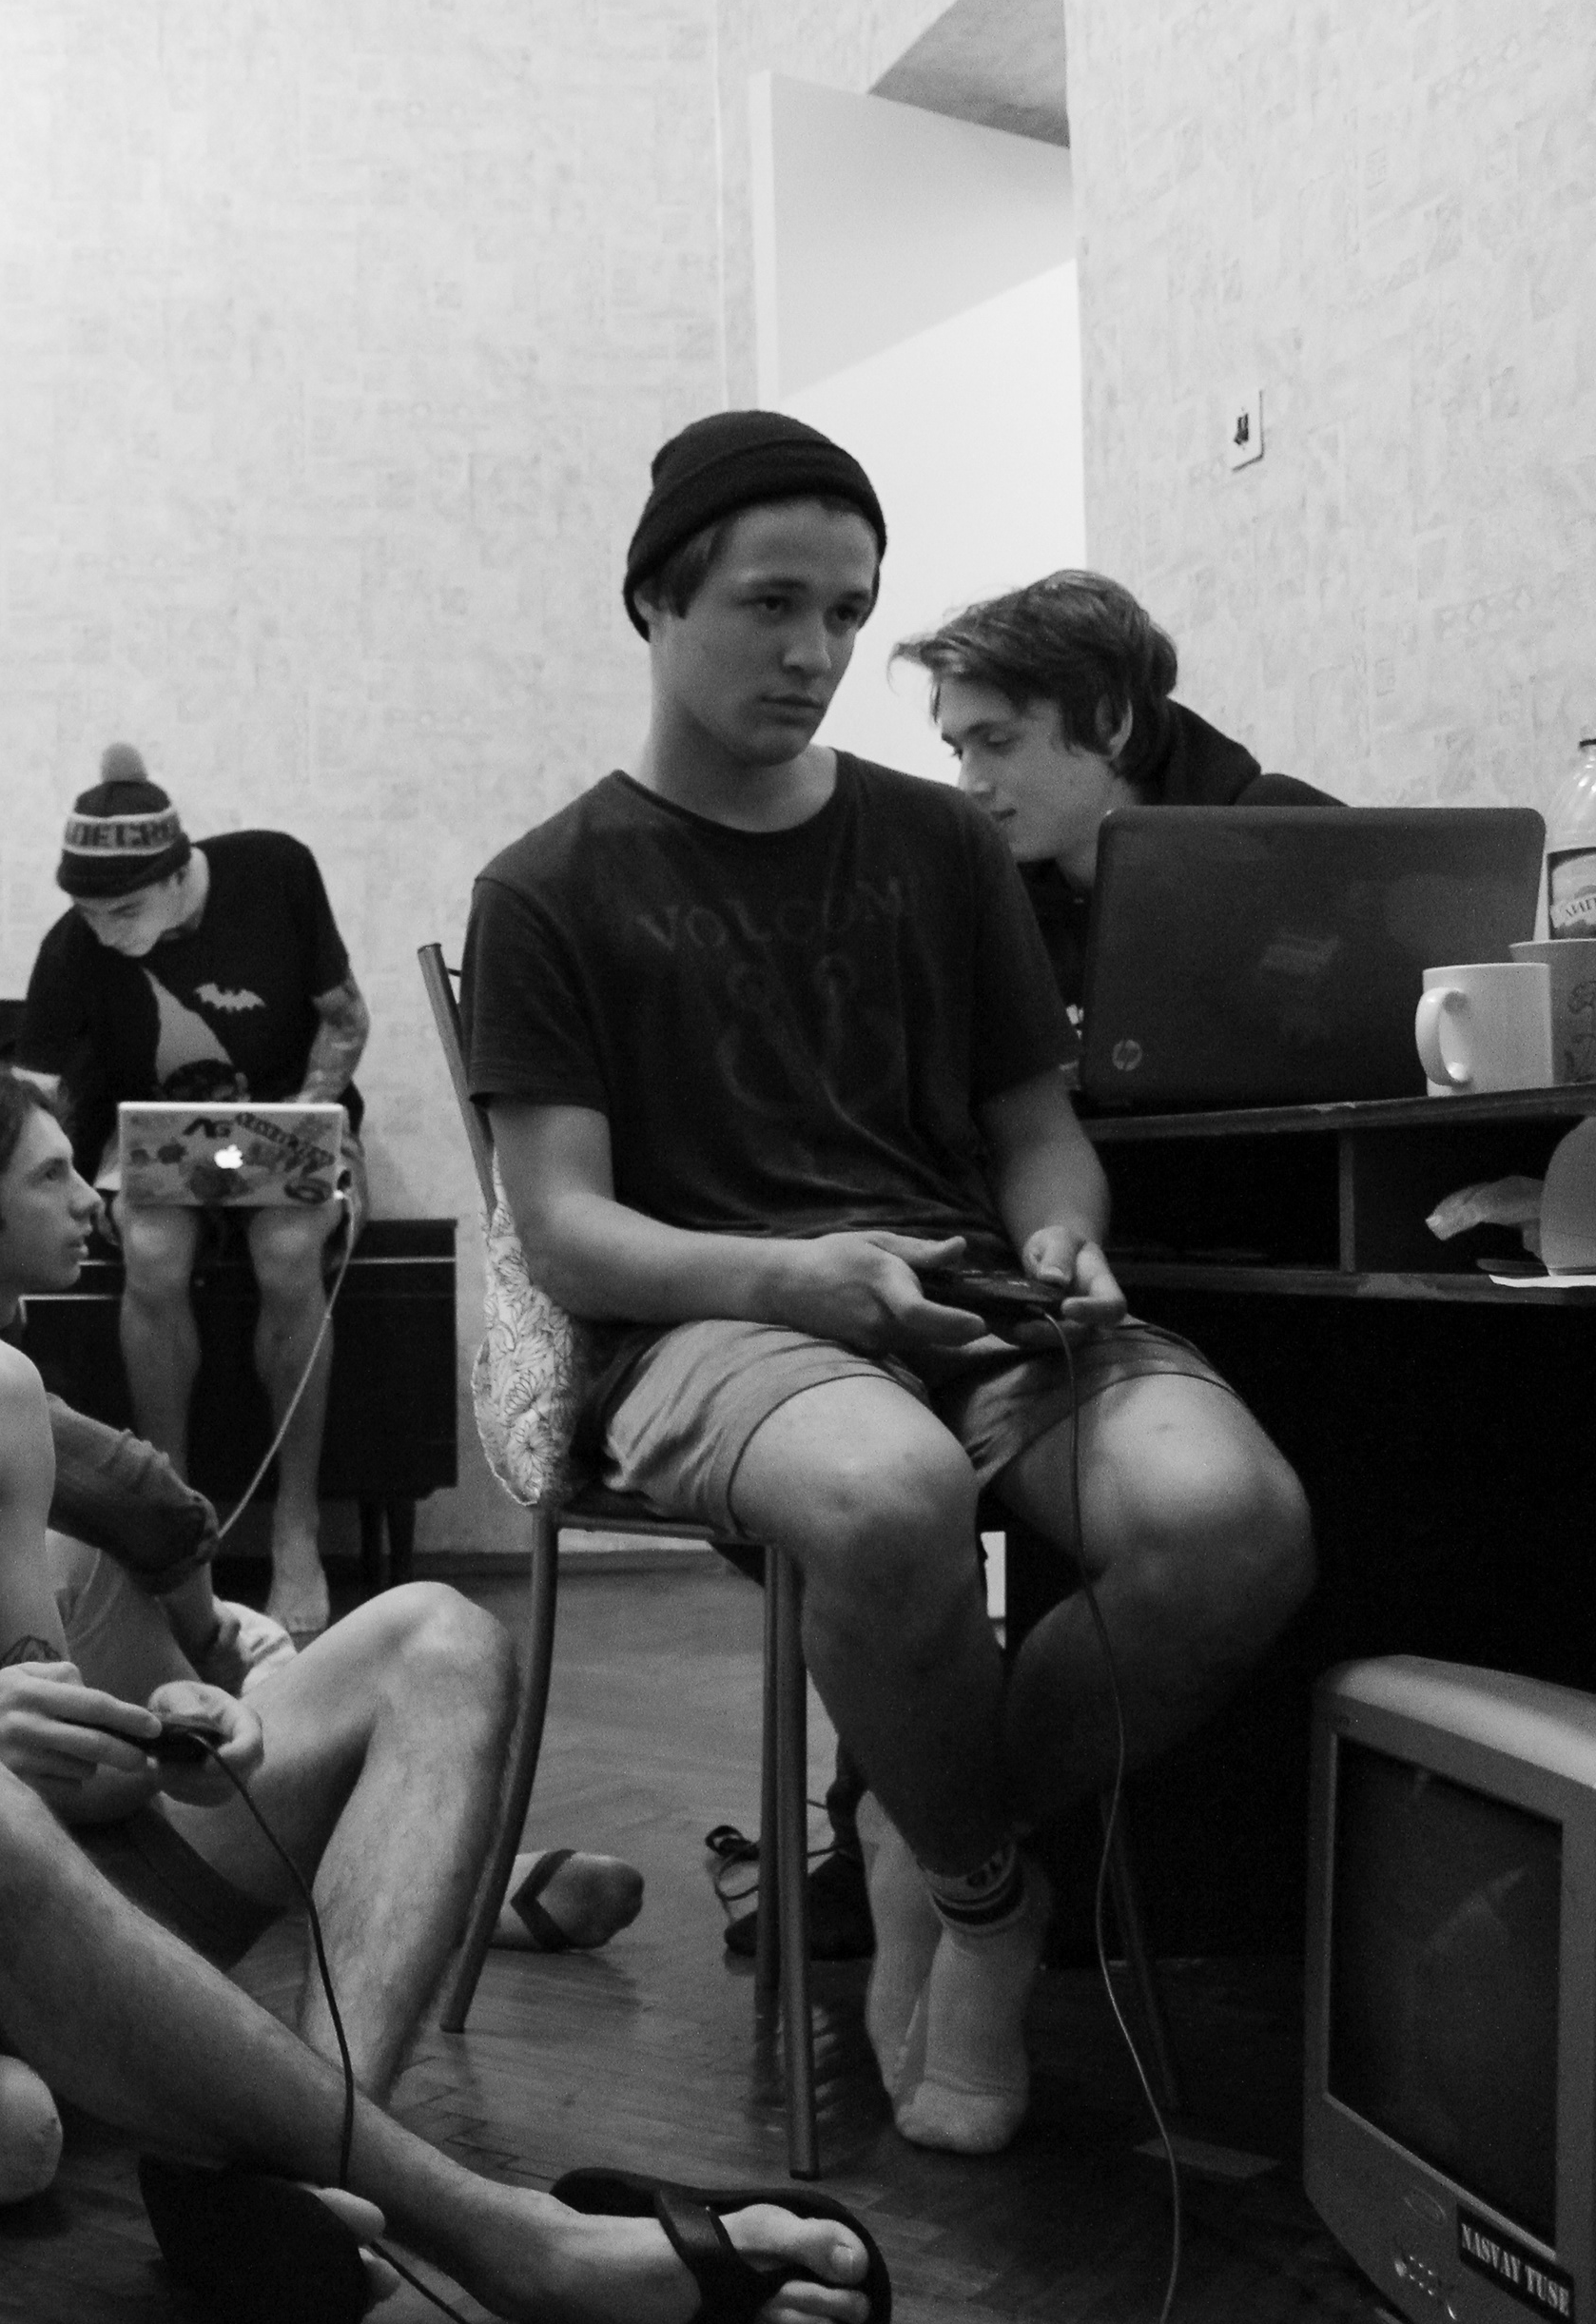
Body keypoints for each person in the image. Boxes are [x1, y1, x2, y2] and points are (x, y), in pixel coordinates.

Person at [0, 1012, 874, 2324]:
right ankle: (507, 2237)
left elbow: (39, 1730)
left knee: (435, 1634)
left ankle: (304, 2187)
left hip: (3, 1903)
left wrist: (151, 1736)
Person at [461, 411, 1315, 2157]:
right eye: (773, 604)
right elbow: (567, 1231)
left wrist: (1063, 1234)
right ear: (656, 599)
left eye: (847, 611)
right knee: (885, 1490)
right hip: (716, 1321)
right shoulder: (546, 888)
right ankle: (993, 1901)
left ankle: (928, 1836)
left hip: (976, 1295)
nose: (817, 652)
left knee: (1230, 1526)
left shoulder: (939, 844)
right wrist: (800, 1282)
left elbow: (1035, 1132)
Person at [0, 1053, 647, 1963]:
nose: (90, 1200)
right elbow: (144, 1502)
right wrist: (202, 1632)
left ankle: (387, 1872)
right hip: (6, 1687)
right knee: (176, 1603)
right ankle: (459, 1889)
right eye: (52, 1176)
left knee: (261, 1645)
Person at [17, 746, 370, 1638]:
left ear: (180, 876)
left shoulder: (275, 871)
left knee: (289, 1250)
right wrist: (60, 1179)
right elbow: (32, 1099)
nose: (104, 932)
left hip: (290, 1117)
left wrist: (299, 1124)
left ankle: (296, 1527)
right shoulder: (74, 945)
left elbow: (345, 1018)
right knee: (152, 1253)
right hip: (155, 1141)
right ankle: (172, 1519)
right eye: (88, 913)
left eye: (123, 911)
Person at [901, 568, 1341, 1008]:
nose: (968, 786)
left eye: (998, 742)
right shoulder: (983, 905)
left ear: (1108, 724)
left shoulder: (1294, 842)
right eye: (958, 752)